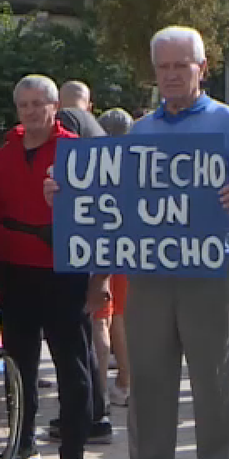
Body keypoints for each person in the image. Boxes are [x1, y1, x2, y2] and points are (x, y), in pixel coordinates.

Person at [97, 26, 229, 459]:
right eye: (164, 67)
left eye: (183, 65)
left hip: (213, 270)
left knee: (215, 382)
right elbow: (117, 201)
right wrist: (69, 196)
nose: (173, 74)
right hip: (151, 272)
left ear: (202, 68)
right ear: (154, 72)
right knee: (149, 379)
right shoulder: (141, 132)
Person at [0, 74, 109, 459]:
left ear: (54, 107)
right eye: (22, 105)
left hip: (65, 273)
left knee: (71, 365)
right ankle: (22, 444)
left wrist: (101, 279)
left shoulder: (77, 152)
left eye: (37, 104)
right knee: (19, 365)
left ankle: (73, 455)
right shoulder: (4, 155)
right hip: (15, 272)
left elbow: (102, 217)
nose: (29, 112)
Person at [95, 107, 136, 407]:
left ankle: (113, 387)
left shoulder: (98, 165)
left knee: (106, 320)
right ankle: (126, 381)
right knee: (121, 318)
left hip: (105, 247)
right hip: (130, 250)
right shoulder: (137, 162)